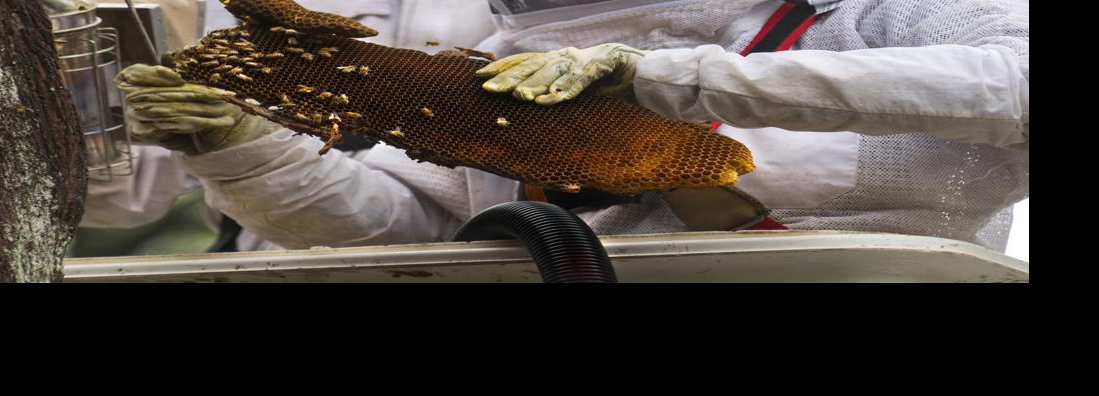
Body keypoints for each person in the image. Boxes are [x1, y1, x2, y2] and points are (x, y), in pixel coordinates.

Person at [132, 0, 1026, 253]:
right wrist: (241, 149)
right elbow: (431, 233)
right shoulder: (494, 68)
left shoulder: (861, 23)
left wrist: (666, 82)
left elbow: (1016, 81)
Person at [110, 1, 499, 250]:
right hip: (260, 253)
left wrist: (243, 146)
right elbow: (124, 193)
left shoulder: (499, 18)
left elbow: (431, 224)